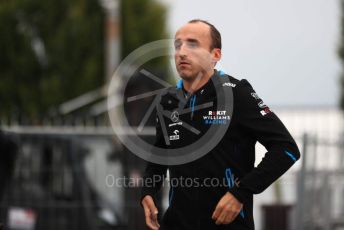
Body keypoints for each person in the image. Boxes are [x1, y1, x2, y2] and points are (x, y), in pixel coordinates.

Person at [140, 19, 300, 230]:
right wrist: (147, 192)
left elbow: (286, 150)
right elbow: (160, 155)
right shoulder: (167, 100)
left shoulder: (236, 94)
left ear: (215, 55)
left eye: (193, 44)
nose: (182, 52)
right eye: (178, 45)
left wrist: (241, 193)